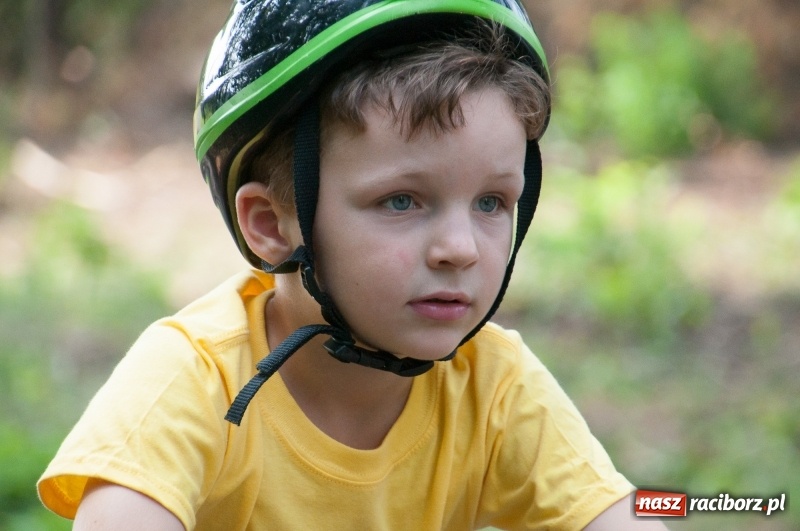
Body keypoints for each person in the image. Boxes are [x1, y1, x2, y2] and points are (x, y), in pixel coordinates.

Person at [38, 1, 667, 529]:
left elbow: (622, 512)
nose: (462, 248)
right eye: (401, 200)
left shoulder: (493, 387)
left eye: (491, 202)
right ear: (271, 224)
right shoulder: (193, 382)